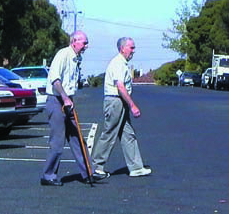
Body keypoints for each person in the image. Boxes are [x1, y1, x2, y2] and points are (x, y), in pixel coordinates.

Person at [40, 31, 108, 186]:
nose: (86, 46)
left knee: (77, 138)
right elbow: (55, 80)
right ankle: (48, 176)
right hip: (56, 100)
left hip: (67, 100)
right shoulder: (62, 55)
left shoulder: (76, 58)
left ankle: (88, 173)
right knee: (57, 141)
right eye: (84, 43)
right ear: (74, 42)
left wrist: (69, 99)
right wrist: (65, 98)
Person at [91, 37, 152, 177]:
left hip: (120, 102)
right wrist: (132, 105)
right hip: (115, 101)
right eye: (131, 48)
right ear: (122, 48)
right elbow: (120, 86)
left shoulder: (123, 64)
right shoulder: (117, 63)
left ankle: (136, 167)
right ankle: (96, 166)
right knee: (109, 133)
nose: (133, 51)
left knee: (128, 134)